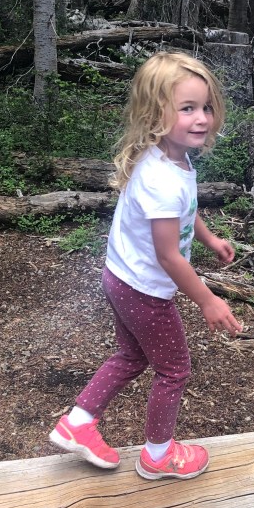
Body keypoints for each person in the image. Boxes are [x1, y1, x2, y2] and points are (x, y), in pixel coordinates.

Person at [49, 50, 242, 481]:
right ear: (157, 113)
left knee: (131, 355)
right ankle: (158, 455)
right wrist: (208, 301)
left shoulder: (166, 157)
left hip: (119, 277)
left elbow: (183, 210)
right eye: (187, 108)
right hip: (144, 290)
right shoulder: (162, 179)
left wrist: (209, 238)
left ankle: (77, 424)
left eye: (206, 107)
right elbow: (168, 255)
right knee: (174, 369)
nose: (202, 118)